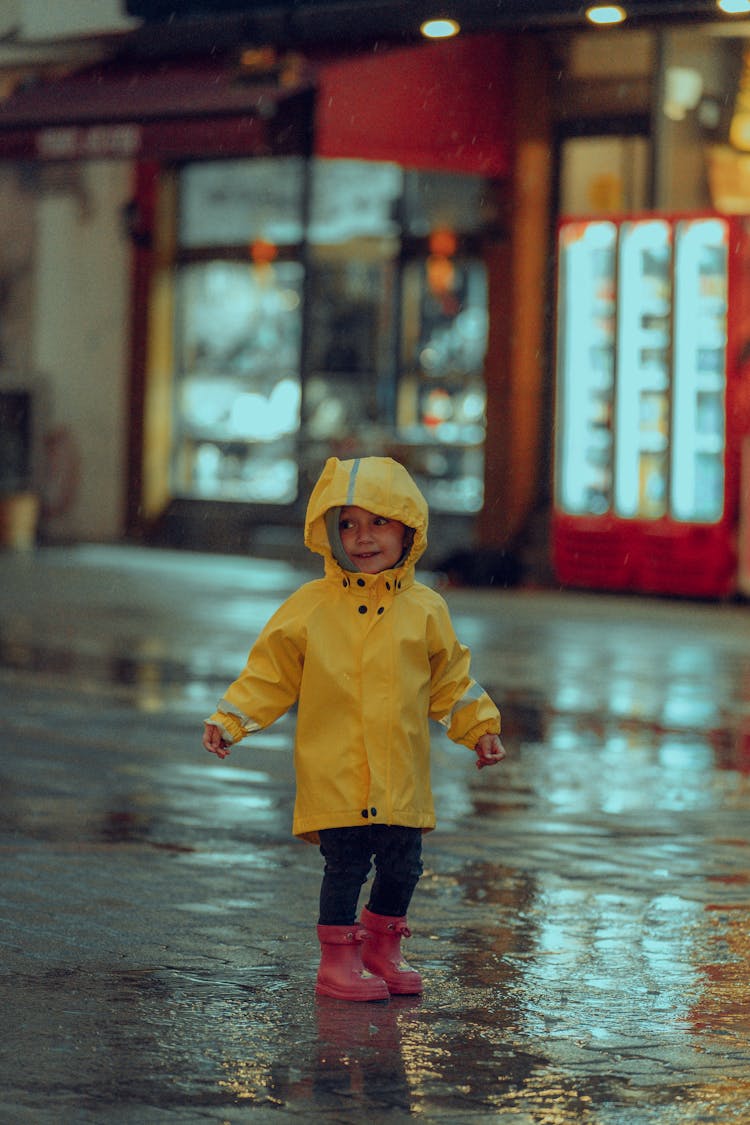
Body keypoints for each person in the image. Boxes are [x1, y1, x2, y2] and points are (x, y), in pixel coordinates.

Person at [203, 455, 505, 1002]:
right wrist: (232, 720)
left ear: (408, 529)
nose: (362, 537)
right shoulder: (311, 607)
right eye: (347, 524)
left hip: (399, 775)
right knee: (344, 866)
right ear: (328, 532)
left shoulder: (425, 609)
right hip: (335, 771)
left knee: (403, 865)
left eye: (379, 522)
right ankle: (336, 963)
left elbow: (450, 681)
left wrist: (479, 727)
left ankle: (381, 949)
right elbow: (270, 674)